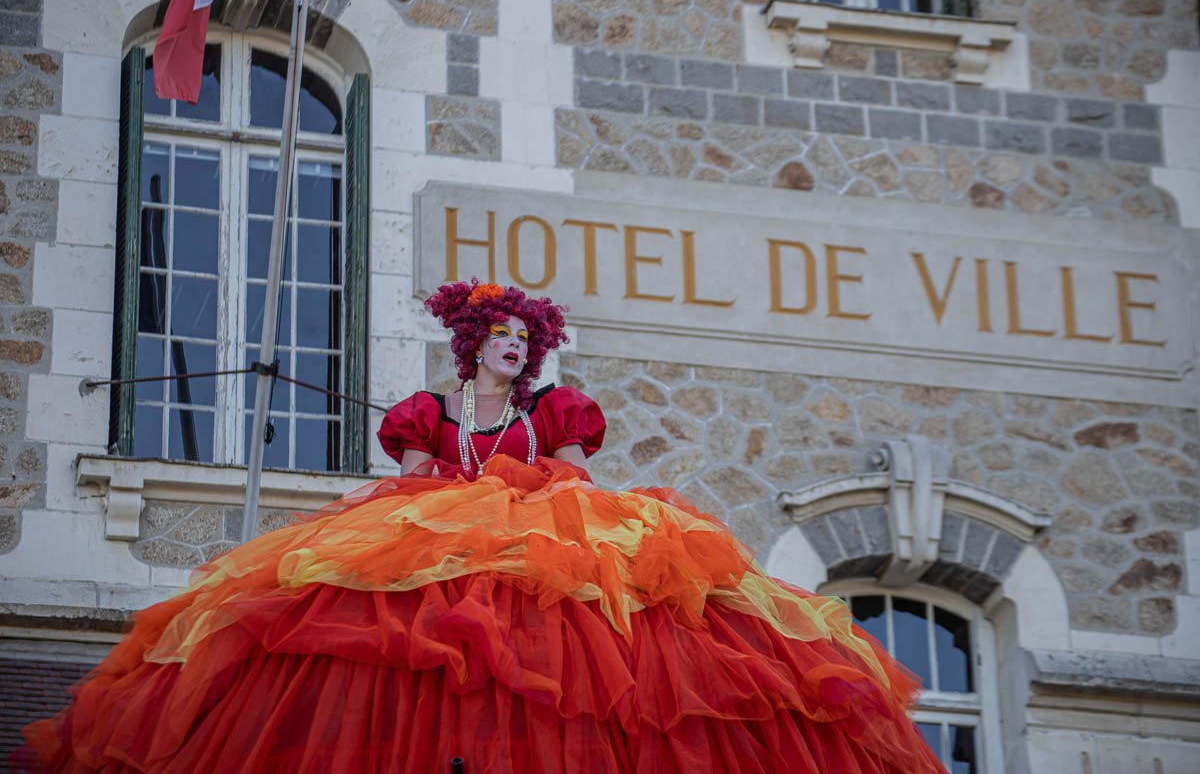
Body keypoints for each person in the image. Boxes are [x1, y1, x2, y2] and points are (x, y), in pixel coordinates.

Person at [15, 281, 945, 773]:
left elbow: (576, 480)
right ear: (476, 345)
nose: (516, 347)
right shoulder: (433, 409)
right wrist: (348, 511)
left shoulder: (553, 410)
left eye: (525, 339)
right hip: (439, 537)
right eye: (503, 336)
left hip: (536, 535)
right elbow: (410, 480)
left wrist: (541, 498)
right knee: (417, 665)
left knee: (552, 659)